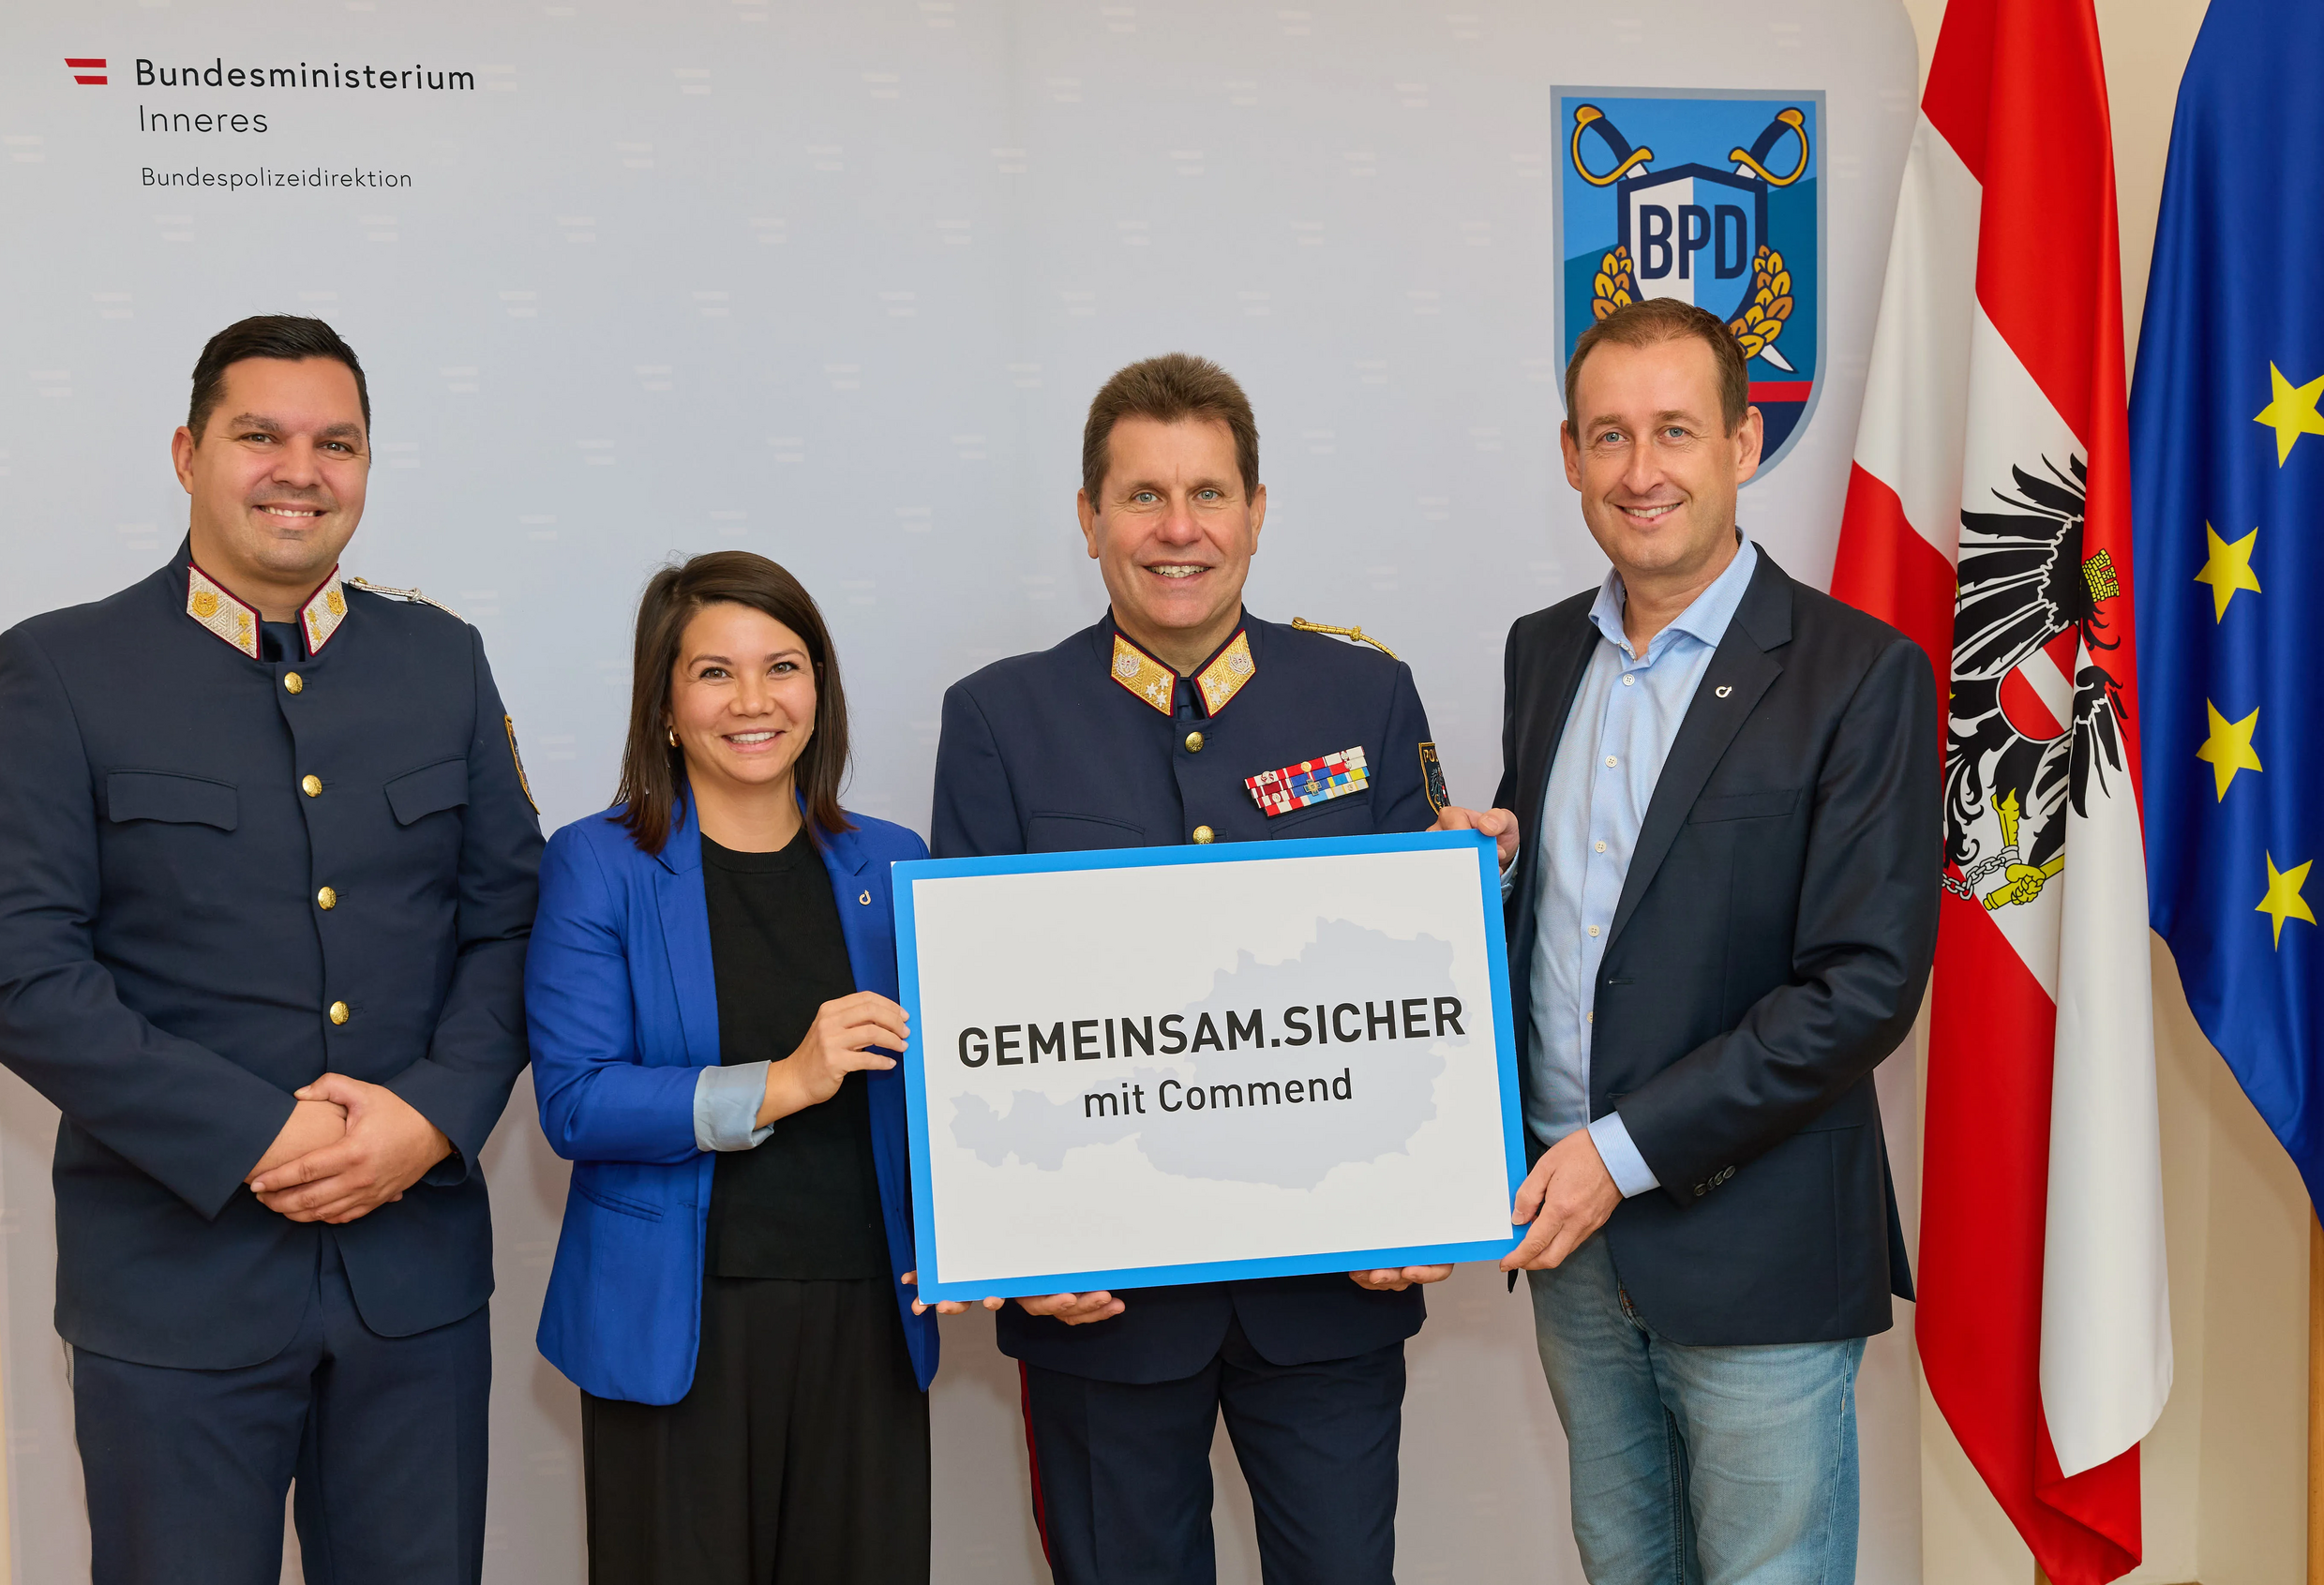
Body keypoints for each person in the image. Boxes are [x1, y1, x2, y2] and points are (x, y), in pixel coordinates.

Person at [0, 316, 544, 1582]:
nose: (300, 469)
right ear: (186, 452)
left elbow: (509, 921)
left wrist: (429, 1120)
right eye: (258, 435)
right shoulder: (65, 667)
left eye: (337, 442)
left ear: (369, 465)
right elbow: (10, 961)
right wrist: (252, 1131)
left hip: (413, 1278)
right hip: (174, 1283)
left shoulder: (442, 659)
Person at [1434, 295, 1940, 1583]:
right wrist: (1479, 886)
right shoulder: (1541, 651)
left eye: (1673, 429)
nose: (1639, 469)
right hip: (1570, 1244)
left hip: (1754, 1249)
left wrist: (1620, 1150)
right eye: (1607, 435)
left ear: (1743, 441)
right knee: (1624, 1565)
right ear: (1567, 455)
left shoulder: (1856, 671)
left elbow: (1864, 982)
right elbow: (1588, 920)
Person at [931, 352, 1447, 1584]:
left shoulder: (1364, 696)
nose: (1178, 529)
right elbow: (975, 1009)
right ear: (1089, 519)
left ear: (1257, 513)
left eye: (1209, 494)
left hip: (1329, 1290)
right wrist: (1019, 1235)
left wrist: (1424, 1202)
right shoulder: (1003, 718)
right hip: (1102, 1309)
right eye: (1144, 496)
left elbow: (1418, 995)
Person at [528, 551, 945, 1585]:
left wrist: (975, 1236)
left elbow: (960, 1084)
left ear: (820, 689)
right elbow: (575, 1100)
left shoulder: (896, 863)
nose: (753, 700)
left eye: (784, 665)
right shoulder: (600, 861)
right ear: (664, 703)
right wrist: (783, 1079)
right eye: (713, 672)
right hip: (681, 1323)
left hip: (870, 1317)